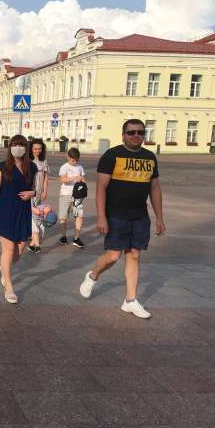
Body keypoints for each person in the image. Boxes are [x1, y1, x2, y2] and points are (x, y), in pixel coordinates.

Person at [79, 119, 165, 319]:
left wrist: (160, 217)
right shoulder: (112, 155)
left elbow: (154, 188)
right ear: (123, 135)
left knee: (134, 255)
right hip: (116, 214)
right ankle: (93, 275)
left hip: (140, 215)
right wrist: (101, 217)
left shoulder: (150, 157)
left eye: (140, 132)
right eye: (131, 132)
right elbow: (101, 188)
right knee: (113, 256)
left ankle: (130, 300)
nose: (136, 136)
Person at [0, 134, 37, 303]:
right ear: (10, 148)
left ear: (26, 148)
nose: (18, 148)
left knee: (20, 250)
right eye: (15, 145)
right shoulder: (1, 167)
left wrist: (33, 193)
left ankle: (4, 268)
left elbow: (37, 189)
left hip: (23, 212)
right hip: (4, 212)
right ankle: (9, 287)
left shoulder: (32, 167)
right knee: (8, 250)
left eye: (21, 145)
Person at [58, 147, 86, 248]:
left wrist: (82, 183)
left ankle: (76, 238)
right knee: (63, 217)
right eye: (73, 160)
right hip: (65, 194)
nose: (75, 162)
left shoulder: (80, 167)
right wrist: (74, 177)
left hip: (77, 196)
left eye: (76, 160)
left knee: (79, 215)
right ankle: (63, 236)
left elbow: (83, 180)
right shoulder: (64, 167)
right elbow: (63, 180)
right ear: (68, 157)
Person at [27, 139, 50, 253]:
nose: (37, 151)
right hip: (30, 192)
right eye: (35, 149)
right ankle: (36, 244)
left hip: (39, 193)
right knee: (34, 216)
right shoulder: (28, 161)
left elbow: (45, 178)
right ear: (31, 149)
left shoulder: (44, 161)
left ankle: (32, 244)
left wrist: (45, 191)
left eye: (39, 149)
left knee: (35, 216)